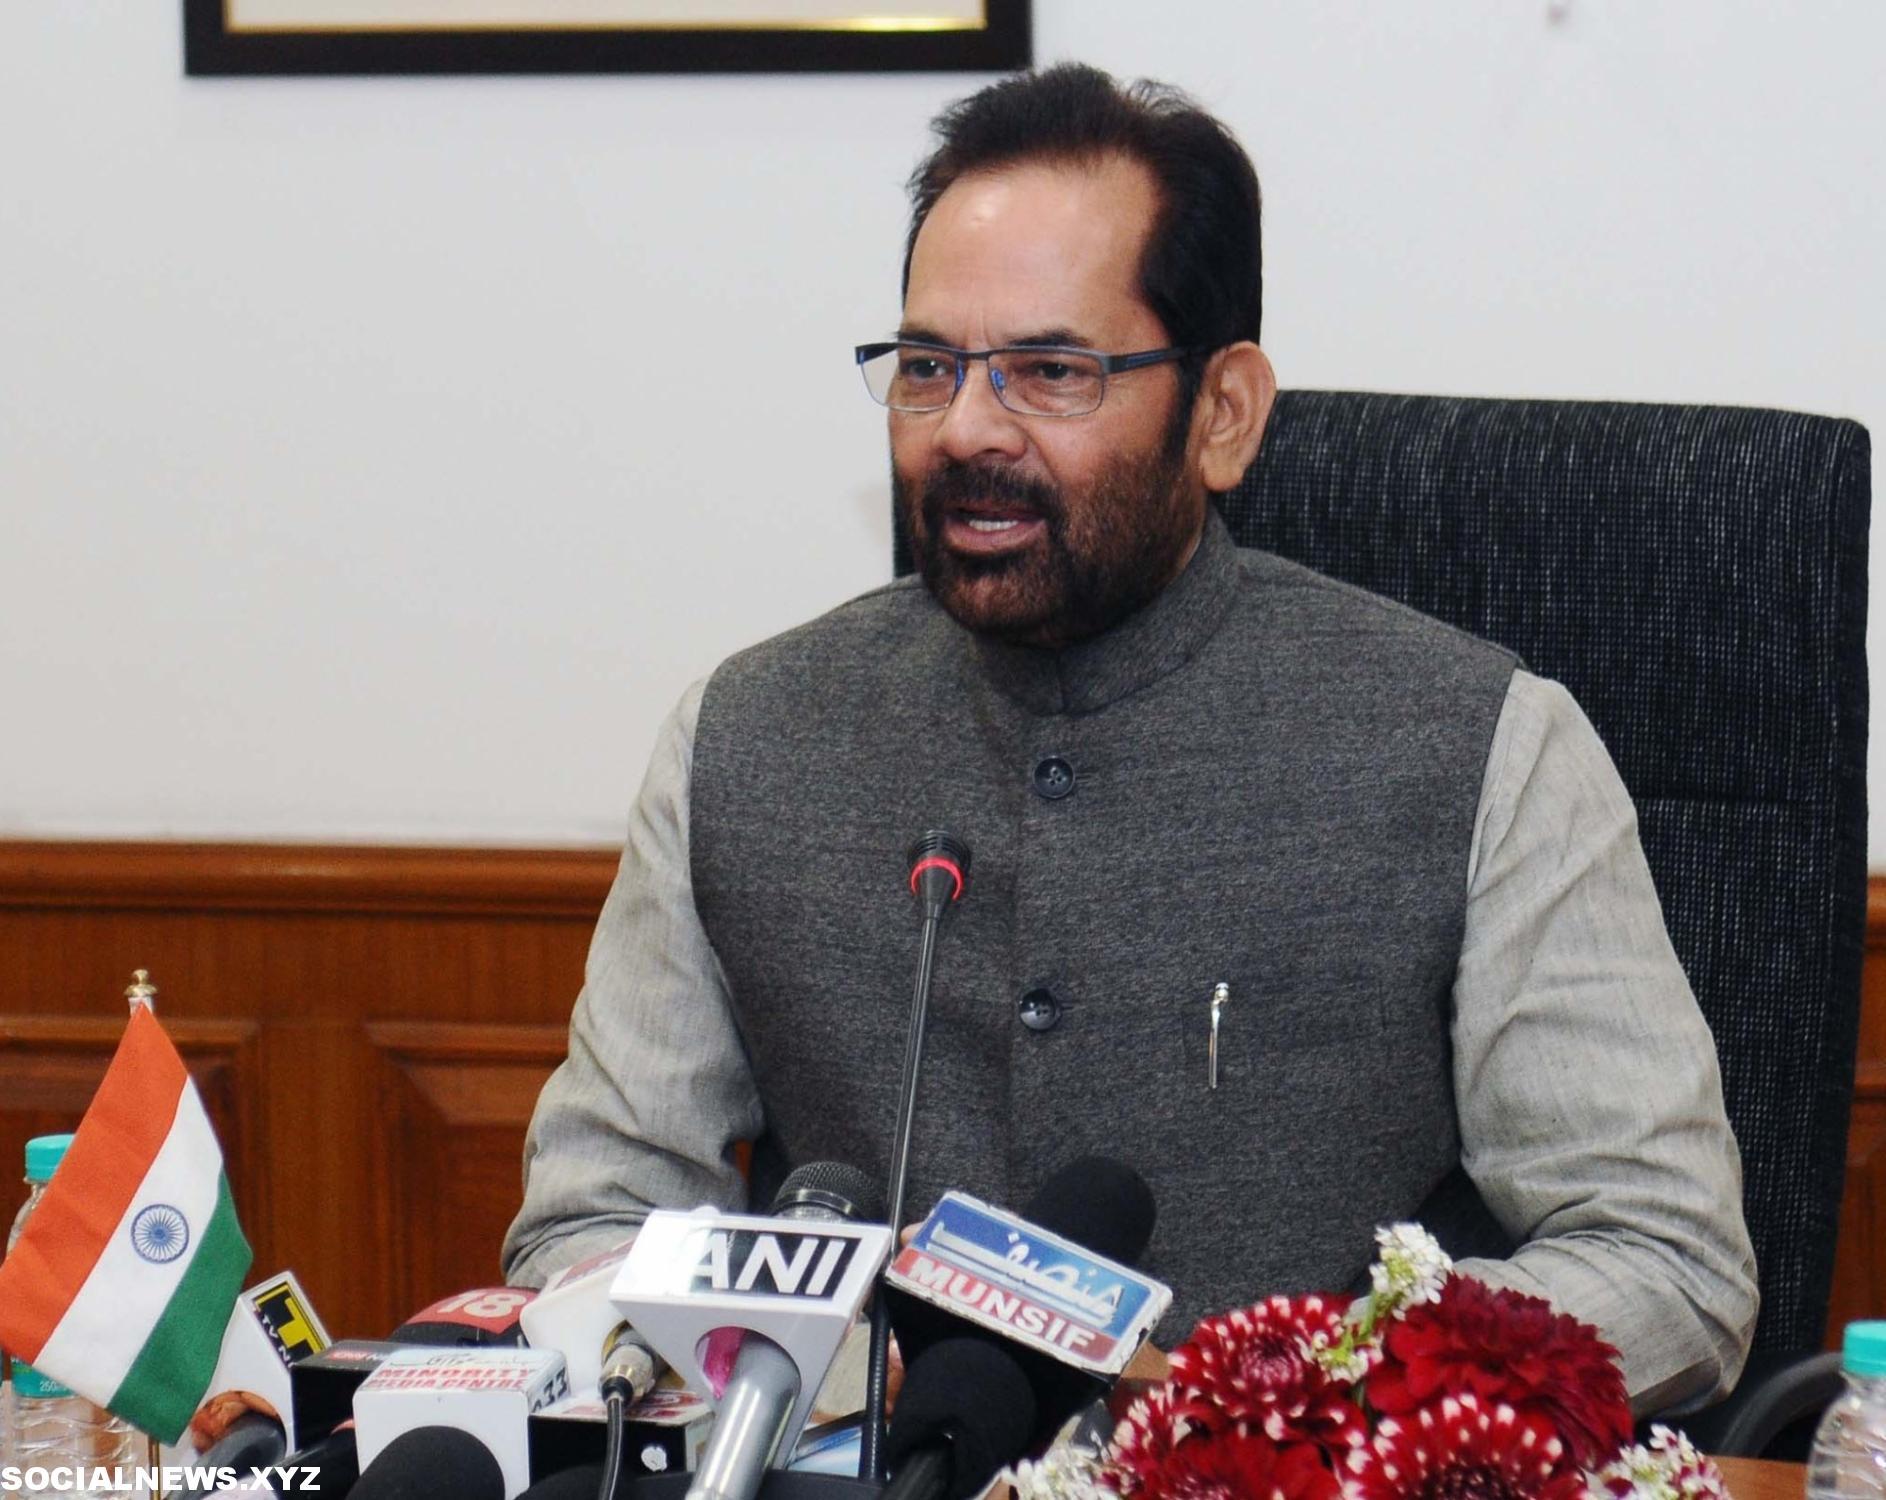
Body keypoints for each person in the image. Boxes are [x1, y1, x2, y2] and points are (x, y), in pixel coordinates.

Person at [502, 63, 1756, 1414]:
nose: (965, 430)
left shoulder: (1486, 748)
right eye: (927, 368)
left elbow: (1663, 1261)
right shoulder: (746, 738)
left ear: (1222, 414)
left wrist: (1282, 1406)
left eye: (1051, 372)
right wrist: (811, 1376)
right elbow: (592, 1219)